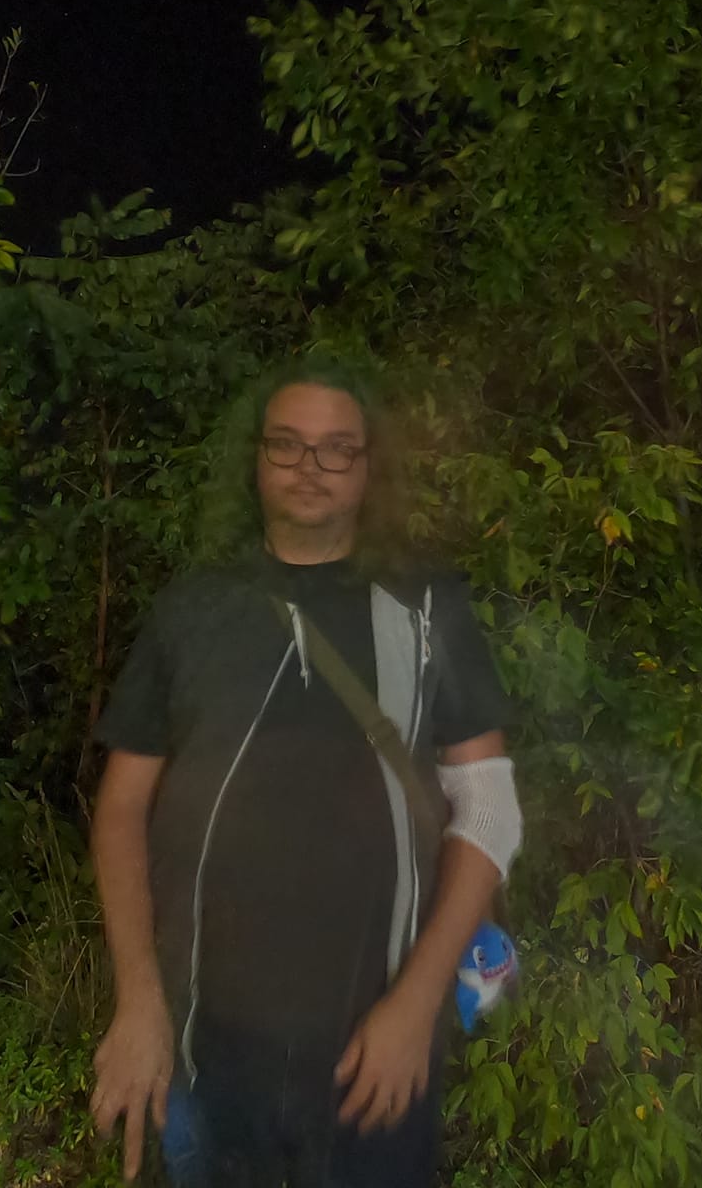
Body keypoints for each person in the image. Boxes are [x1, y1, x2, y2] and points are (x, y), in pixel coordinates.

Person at [87, 358, 522, 1186]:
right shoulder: (193, 608)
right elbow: (120, 811)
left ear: (367, 469)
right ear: (255, 460)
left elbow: (490, 810)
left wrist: (418, 1004)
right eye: (287, 445)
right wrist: (137, 1003)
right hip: (200, 1046)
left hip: (376, 1047)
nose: (309, 467)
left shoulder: (427, 606)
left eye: (336, 449)